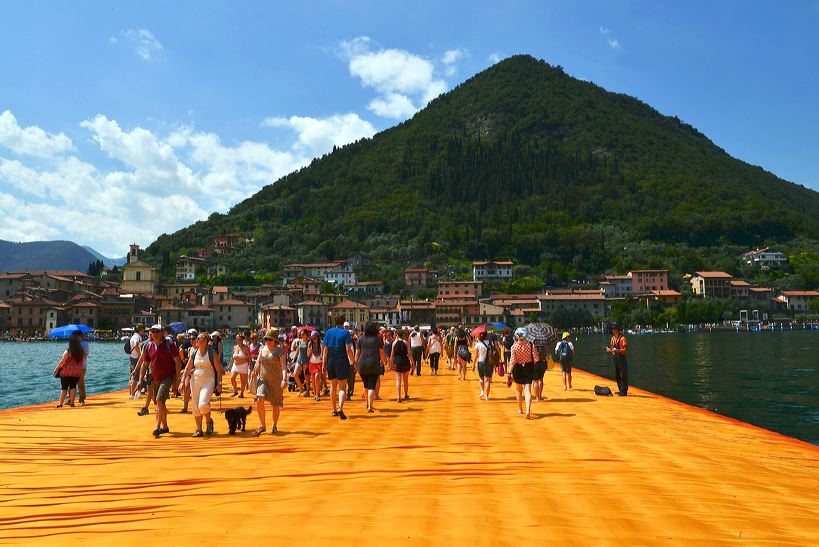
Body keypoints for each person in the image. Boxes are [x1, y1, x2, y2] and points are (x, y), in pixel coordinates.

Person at [140, 324, 183, 437]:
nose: (155, 334)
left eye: (157, 331)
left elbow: (177, 361)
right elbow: (145, 364)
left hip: (167, 377)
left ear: (163, 332)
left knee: (159, 400)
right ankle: (165, 426)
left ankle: (157, 427)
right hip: (154, 378)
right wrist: (140, 379)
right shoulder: (149, 346)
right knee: (160, 403)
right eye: (153, 331)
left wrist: (177, 379)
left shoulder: (170, 345)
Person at [180, 332, 222, 437]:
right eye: (197, 338)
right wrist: (182, 381)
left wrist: (219, 383)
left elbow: (218, 369)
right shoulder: (194, 353)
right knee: (195, 406)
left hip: (209, 381)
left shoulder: (212, 353)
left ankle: (209, 420)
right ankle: (199, 429)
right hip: (195, 381)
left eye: (200, 338)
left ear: (206, 341)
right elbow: (188, 368)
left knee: (202, 405)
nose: (197, 340)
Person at [254, 329, 287, 435]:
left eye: (270, 340)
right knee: (259, 399)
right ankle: (262, 425)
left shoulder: (280, 351)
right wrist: (254, 372)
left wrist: (284, 379)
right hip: (263, 379)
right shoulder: (262, 349)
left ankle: (274, 425)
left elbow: (284, 367)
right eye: (266, 339)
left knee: (275, 404)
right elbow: (258, 363)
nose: (268, 341)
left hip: (276, 380)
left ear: (275, 341)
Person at [322, 316, 355, 420]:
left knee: (333, 385)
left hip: (331, 360)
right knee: (342, 387)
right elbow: (348, 349)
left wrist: (324, 364)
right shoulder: (345, 333)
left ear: (334, 322)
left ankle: (334, 410)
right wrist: (354, 362)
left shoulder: (328, 332)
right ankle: (340, 407)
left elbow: (325, 350)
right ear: (343, 322)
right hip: (341, 360)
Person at [354, 322, 386, 413]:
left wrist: (355, 364)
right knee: (372, 386)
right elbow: (381, 352)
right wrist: (382, 361)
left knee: (366, 385)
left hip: (362, 364)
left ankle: (367, 403)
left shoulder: (360, 339)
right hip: (374, 364)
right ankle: (370, 407)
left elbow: (357, 353)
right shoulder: (377, 339)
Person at [53, 333, 86, 408]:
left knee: (64, 387)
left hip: (66, 372)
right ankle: (72, 403)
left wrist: (56, 369)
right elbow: (83, 361)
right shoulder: (81, 352)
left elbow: (62, 361)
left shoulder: (68, 351)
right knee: (73, 387)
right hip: (76, 372)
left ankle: (60, 404)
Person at [509, 328, 536, 419]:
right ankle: (528, 410)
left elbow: (512, 361)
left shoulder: (514, 347)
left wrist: (509, 373)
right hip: (528, 368)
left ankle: (520, 409)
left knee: (518, 389)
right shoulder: (530, 345)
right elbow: (536, 358)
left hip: (517, 368)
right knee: (527, 390)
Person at [388, 328, 412, 402]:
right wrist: (412, 362)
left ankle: (398, 397)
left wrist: (390, 364)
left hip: (397, 362)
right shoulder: (406, 342)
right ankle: (406, 394)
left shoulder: (394, 343)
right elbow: (409, 353)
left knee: (398, 379)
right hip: (405, 361)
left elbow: (392, 355)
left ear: (397, 335)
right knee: (405, 380)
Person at [606, 324, 628, 396]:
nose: (612, 330)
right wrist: (610, 350)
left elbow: (625, 350)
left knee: (623, 375)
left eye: (613, 329)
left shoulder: (622, 338)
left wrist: (617, 350)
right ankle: (620, 389)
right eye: (612, 329)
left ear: (617, 330)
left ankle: (624, 391)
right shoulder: (612, 338)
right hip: (615, 358)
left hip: (621, 358)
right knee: (617, 375)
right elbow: (612, 348)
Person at [475, 331, 497, 401]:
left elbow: (476, 356)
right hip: (489, 363)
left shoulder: (478, 344)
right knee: (488, 380)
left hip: (481, 362)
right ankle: (487, 396)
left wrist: (473, 365)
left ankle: (482, 391)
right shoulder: (490, 343)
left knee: (481, 378)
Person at [228, 334, 251, 398]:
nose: (238, 340)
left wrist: (250, 364)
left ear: (242, 340)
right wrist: (229, 365)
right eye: (237, 339)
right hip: (235, 365)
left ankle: (241, 393)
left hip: (243, 365)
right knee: (232, 378)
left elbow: (249, 357)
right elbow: (232, 357)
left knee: (243, 381)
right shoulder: (235, 347)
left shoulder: (245, 347)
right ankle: (235, 391)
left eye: (239, 339)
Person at [290, 329, 310, 396]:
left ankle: (307, 391)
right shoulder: (299, 341)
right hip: (299, 359)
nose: (301, 335)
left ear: (306, 335)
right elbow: (298, 351)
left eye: (303, 334)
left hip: (306, 361)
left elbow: (310, 352)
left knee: (306, 377)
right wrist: (294, 359)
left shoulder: (309, 342)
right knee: (295, 375)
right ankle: (301, 388)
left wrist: (309, 360)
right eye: (301, 334)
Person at [128, 324, 145, 398]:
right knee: (136, 377)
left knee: (133, 376)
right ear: (141, 329)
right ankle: (132, 394)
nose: (143, 331)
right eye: (143, 330)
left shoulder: (133, 336)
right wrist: (140, 355)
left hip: (132, 357)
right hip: (136, 358)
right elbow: (136, 345)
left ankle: (133, 392)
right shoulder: (137, 337)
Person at [73, 330, 90, 406]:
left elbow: (85, 355)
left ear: (80, 336)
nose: (75, 338)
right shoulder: (74, 344)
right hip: (73, 366)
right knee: (71, 383)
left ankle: (82, 399)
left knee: (80, 382)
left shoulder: (85, 344)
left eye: (76, 336)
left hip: (82, 366)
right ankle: (70, 398)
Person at [307, 330, 324, 401]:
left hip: (319, 363)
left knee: (317, 378)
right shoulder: (310, 344)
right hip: (312, 362)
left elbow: (324, 354)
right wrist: (309, 352)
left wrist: (324, 364)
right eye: (313, 338)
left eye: (315, 338)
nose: (314, 340)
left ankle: (317, 394)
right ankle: (315, 393)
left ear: (318, 337)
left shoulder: (322, 344)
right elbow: (307, 355)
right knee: (313, 380)